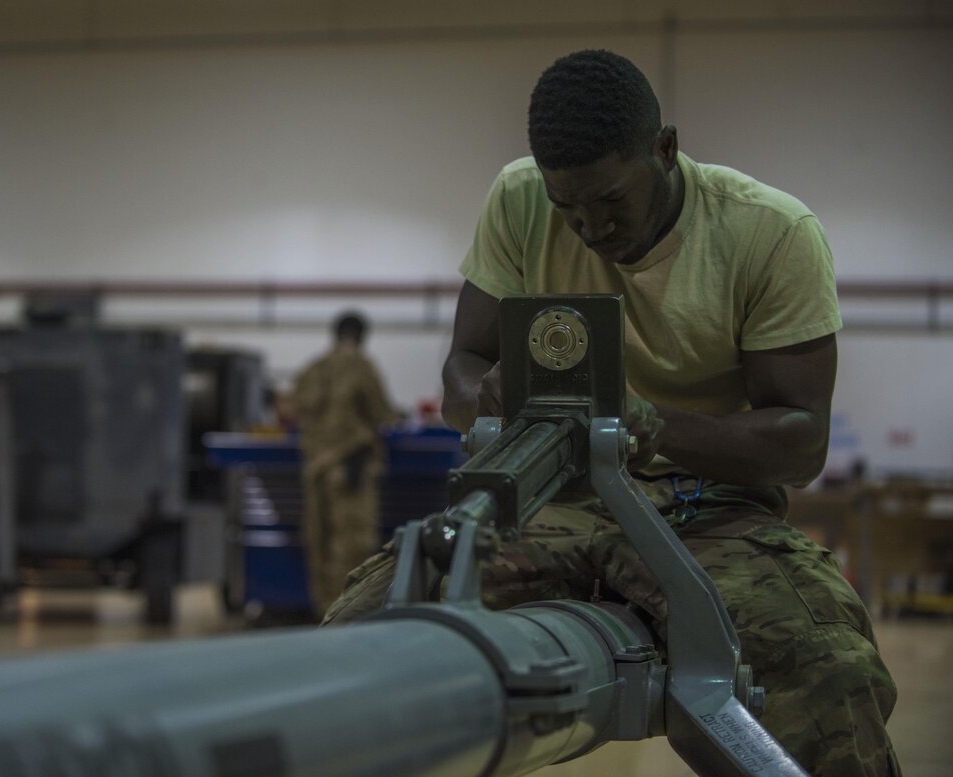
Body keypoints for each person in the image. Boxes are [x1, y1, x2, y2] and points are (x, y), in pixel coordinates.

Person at [323, 50, 900, 776]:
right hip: (546, 501)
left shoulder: (770, 232)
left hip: (706, 513)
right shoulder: (519, 197)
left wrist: (655, 429)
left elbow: (801, 440)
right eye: (568, 209)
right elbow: (460, 374)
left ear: (666, 149)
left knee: (828, 678)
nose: (590, 228)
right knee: (352, 648)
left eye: (610, 202)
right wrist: (485, 397)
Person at [293, 311, 400, 618]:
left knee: (320, 544)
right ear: (362, 336)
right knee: (352, 546)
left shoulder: (312, 369)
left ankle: (322, 611)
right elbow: (382, 414)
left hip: (315, 470)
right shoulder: (360, 365)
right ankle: (346, 615)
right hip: (349, 466)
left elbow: (295, 410)